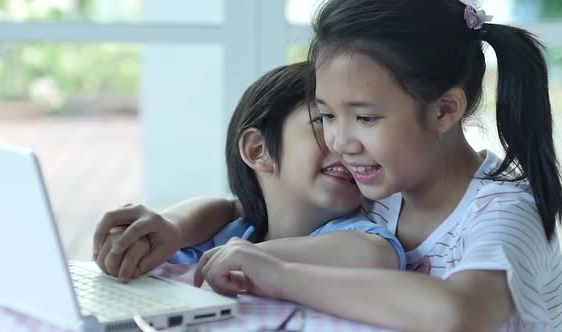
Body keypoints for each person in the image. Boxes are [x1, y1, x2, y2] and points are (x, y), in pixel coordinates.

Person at [97, 0, 562, 330]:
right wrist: (175, 227)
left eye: (365, 117)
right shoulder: (384, 187)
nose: (340, 142)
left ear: (444, 110)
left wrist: (278, 274)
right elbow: (243, 208)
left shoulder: (504, 212)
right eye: (325, 117)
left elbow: (461, 315)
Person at [93, 62, 405, 283]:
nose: (347, 144)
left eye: (362, 123)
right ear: (258, 150)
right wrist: (169, 227)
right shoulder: (228, 231)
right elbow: (226, 207)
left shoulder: (356, 234)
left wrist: (250, 256)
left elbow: (375, 256)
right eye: (324, 120)